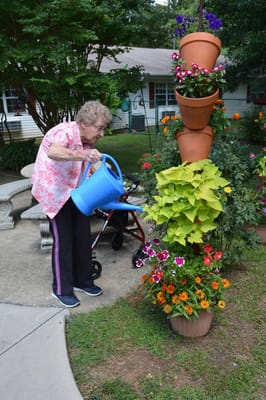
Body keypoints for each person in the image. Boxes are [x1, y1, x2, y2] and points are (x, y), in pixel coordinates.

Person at [31, 101, 112, 308]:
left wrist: (105, 170)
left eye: (103, 128)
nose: (102, 133)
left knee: (82, 237)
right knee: (64, 242)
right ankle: (61, 289)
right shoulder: (64, 132)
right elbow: (54, 152)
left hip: (76, 192)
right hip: (55, 193)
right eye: (100, 128)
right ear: (84, 123)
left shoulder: (87, 142)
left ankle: (83, 281)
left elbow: (91, 164)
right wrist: (83, 154)